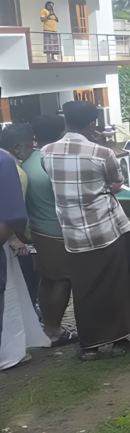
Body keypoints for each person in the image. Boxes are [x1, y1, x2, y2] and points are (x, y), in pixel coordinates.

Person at [41, 101, 130, 361]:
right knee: (118, 284)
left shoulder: (46, 152)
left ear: (65, 121)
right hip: (106, 229)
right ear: (92, 124)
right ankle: (119, 342)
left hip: (72, 233)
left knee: (84, 289)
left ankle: (89, 346)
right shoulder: (101, 153)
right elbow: (116, 181)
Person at [25, 115, 78, 346]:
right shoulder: (52, 160)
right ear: (61, 133)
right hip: (57, 231)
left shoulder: (27, 160)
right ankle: (54, 332)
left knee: (48, 280)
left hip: (37, 230)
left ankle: (48, 327)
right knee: (64, 280)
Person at [1, 144, 49, 371]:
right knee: (9, 297)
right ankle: (7, 351)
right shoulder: (4, 161)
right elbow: (13, 216)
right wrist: (14, 238)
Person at [0, 124, 38, 307]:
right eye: (31, 143)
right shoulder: (16, 171)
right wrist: (18, 239)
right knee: (25, 291)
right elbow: (13, 214)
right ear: (17, 147)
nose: (34, 148)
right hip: (15, 243)